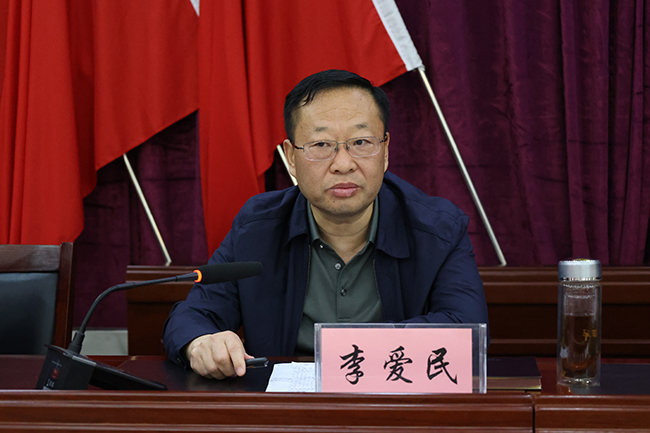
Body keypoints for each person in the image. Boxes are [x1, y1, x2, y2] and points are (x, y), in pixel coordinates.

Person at [163, 69, 489, 380]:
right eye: (321, 145)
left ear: (385, 151)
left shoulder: (438, 229)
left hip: (395, 404)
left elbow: (467, 331)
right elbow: (194, 316)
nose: (343, 164)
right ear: (291, 157)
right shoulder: (258, 228)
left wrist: (349, 353)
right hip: (289, 409)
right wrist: (200, 343)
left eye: (361, 143)